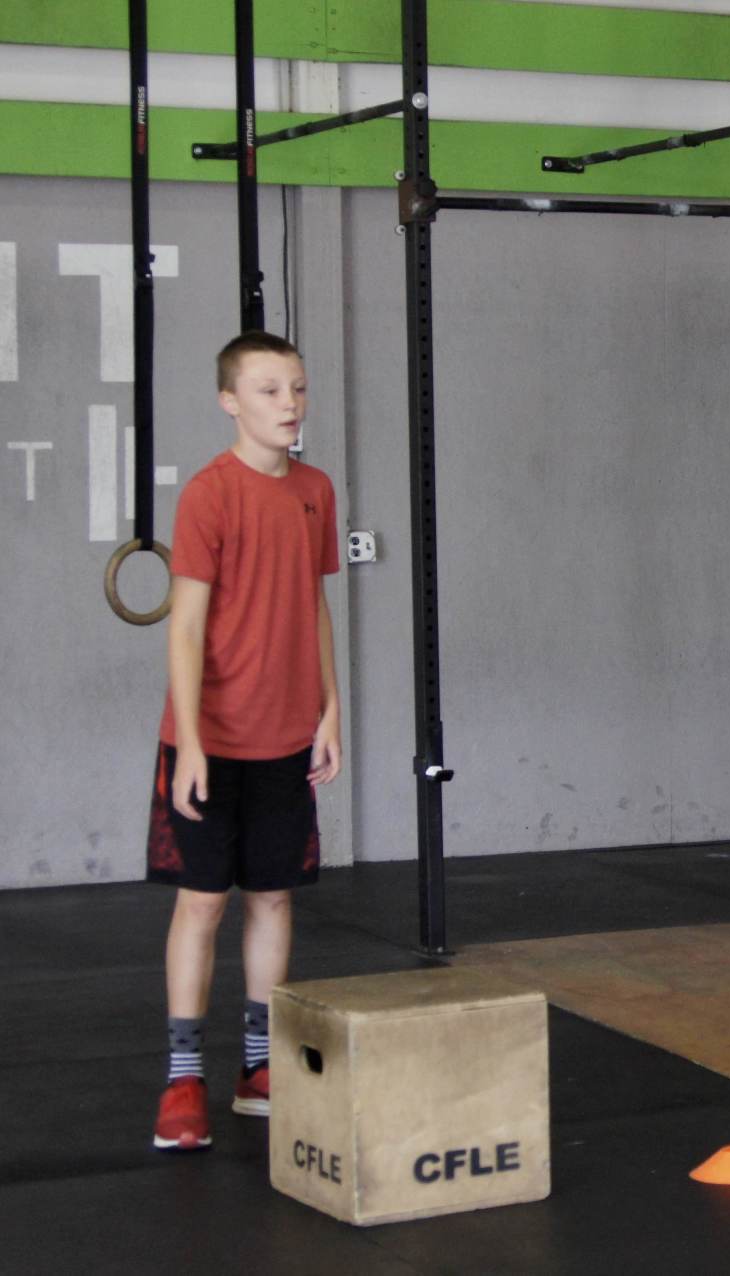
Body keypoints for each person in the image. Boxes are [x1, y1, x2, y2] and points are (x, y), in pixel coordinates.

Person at [147, 331, 341, 1150]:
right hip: (210, 739)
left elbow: (316, 605)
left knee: (271, 898)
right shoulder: (209, 494)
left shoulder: (315, 490)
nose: (288, 404)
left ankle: (259, 1069)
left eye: (296, 388)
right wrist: (190, 741)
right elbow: (185, 629)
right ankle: (182, 1081)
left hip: (286, 737)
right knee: (202, 904)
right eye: (268, 390)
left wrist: (330, 708)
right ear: (230, 401)